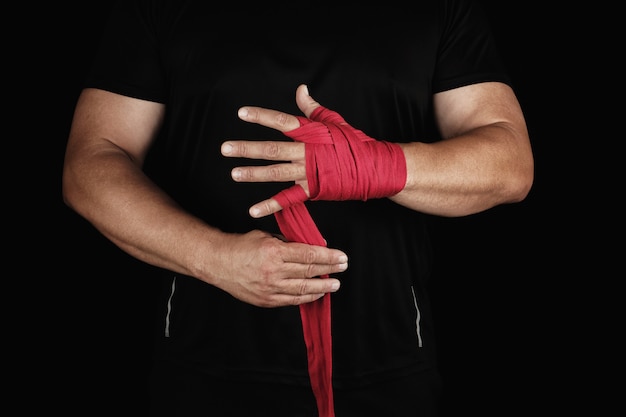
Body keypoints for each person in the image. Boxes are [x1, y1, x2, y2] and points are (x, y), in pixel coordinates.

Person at [62, 1, 534, 416]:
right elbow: (89, 164)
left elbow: (510, 164)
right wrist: (213, 257)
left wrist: (370, 166)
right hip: (204, 365)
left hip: (389, 367)